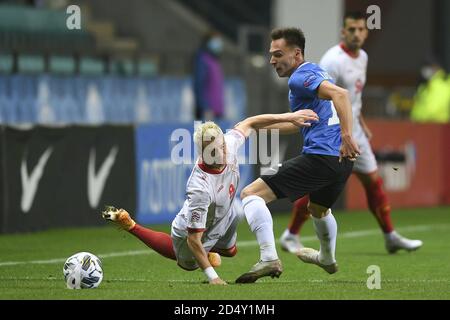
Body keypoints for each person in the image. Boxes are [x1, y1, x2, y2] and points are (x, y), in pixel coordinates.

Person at [102, 109, 318, 285]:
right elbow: (193, 239)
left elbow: (250, 122)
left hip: (223, 213)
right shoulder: (199, 188)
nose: (221, 152)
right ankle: (131, 226)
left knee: (233, 241)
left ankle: (216, 249)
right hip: (192, 230)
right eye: (213, 150)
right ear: (203, 153)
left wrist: (290, 117)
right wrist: (213, 278)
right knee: (188, 263)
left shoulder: (229, 144)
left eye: (222, 145)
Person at [279, 12, 423, 255]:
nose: (356, 34)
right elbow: (328, 98)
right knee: (321, 185)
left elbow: (353, 98)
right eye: (351, 29)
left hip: (355, 130)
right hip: (335, 133)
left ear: (366, 32)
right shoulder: (332, 61)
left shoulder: (363, 57)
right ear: (343, 32)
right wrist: (341, 133)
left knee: (372, 181)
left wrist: (361, 123)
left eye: (360, 29)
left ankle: (390, 236)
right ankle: (291, 234)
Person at [235, 27, 361, 283]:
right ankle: (327, 257)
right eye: (271, 55)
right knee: (318, 209)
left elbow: (342, 94)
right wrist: (255, 126)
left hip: (321, 157)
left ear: (296, 53)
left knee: (250, 194)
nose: (272, 60)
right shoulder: (311, 74)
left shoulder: (299, 78)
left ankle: (269, 257)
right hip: (341, 162)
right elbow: (298, 123)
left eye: (278, 54)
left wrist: (348, 135)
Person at [193, 31, 225, 121]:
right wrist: (205, 107)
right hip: (208, 111)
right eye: (215, 41)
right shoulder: (202, 59)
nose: (219, 44)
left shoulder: (215, 60)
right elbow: (199, 84)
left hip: (217, 110)